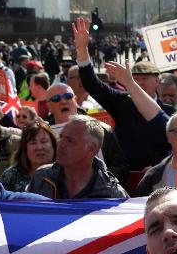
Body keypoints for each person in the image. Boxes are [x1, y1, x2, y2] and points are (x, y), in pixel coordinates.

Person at [73, 18, 171, 171]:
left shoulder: (170, 112)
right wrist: (82, 50)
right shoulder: (122, 103)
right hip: (125, 177)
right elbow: (92, 84)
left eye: (144, 78)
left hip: (157, 179)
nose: (139, 83)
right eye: (134, 79)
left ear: (157, 81)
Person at [44, 82, 129, 183]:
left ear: (75, 100)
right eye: (56, 98)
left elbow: (120, 166)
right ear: (48, 106)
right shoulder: (43, 135)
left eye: (68, 96)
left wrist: (101, 181)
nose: (63, 101)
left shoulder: (102, 129)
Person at [28, 115, 128, 199]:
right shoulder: (41, 178)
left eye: (70, 140)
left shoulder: (113, 194)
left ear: (91, 148)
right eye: (61, 137)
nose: (61, 144)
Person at [0, 122, 57, 193]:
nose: (39, 147)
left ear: (53, 145)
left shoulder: (64, 173)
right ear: (24, 148)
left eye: (44, 141)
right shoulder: (11, 176)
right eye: (33, 143)